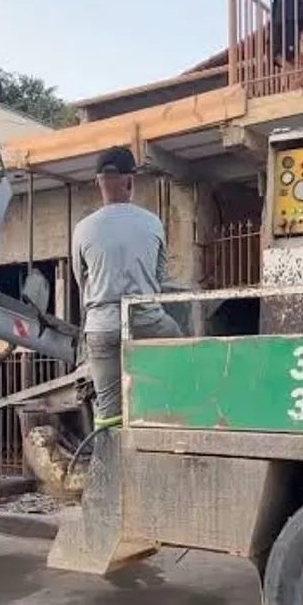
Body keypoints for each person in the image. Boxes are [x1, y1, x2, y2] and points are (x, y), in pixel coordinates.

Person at [72, 147, 181, 424]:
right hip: (146, 321)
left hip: (101, 326)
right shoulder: (152, 223)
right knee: (179, 345)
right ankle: (168, 410)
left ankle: (106, 460)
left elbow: (80, 278)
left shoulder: (83, 228)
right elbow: (159, 276)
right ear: (130, 181)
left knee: (109, 414)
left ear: (99, 182)